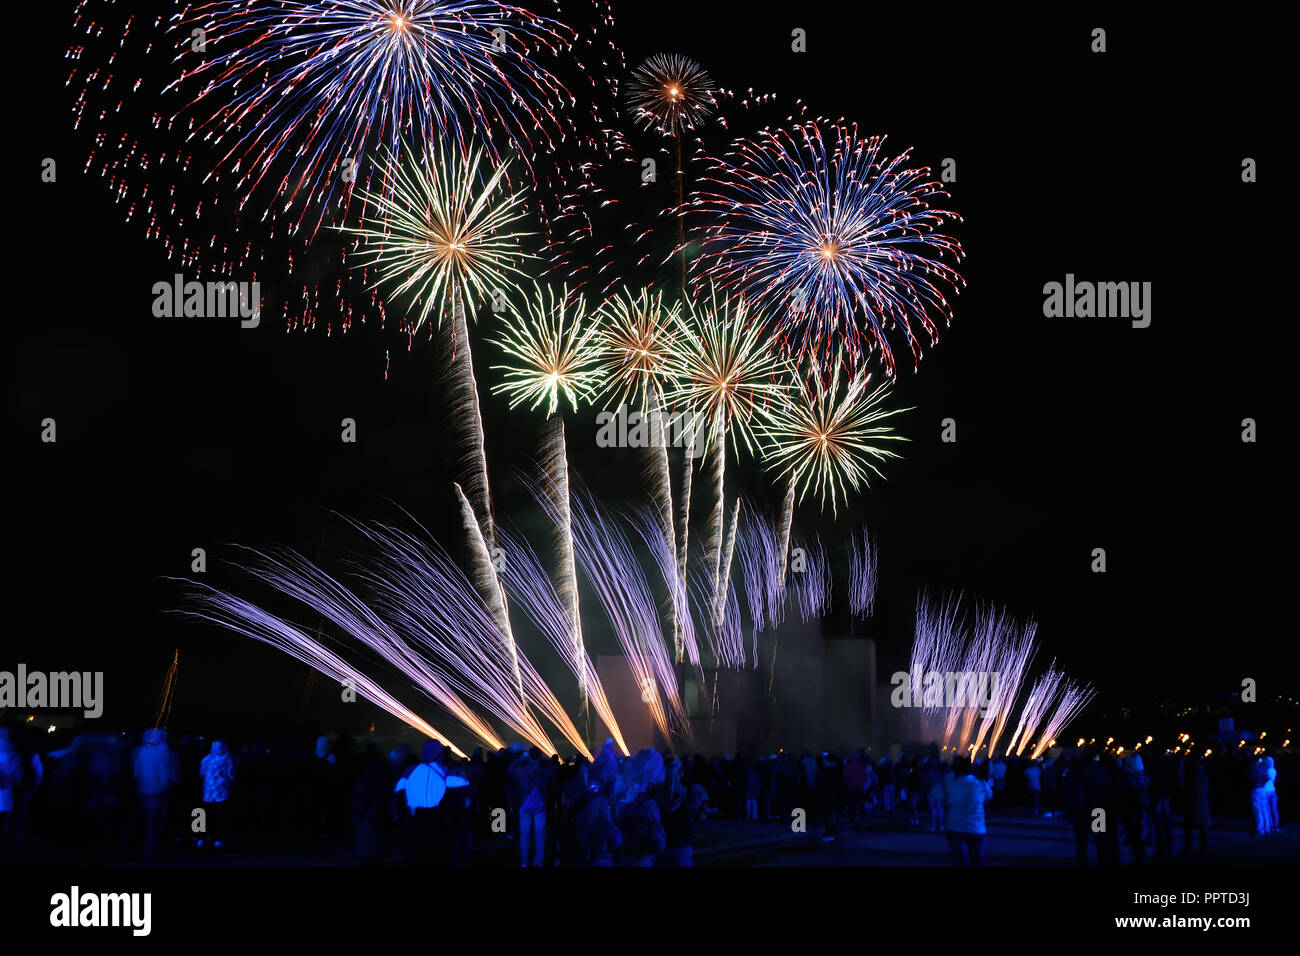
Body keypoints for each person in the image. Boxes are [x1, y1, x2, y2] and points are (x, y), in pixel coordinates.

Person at [394, 740, 466, 865]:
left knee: (416, 854)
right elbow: (464, 786)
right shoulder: (444, 771)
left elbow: (399, 794)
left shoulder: (409, 771)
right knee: (435, 855)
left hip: (414, 819)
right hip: (436, 818)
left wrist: (402, 815)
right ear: (439, 754)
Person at [132, 728, 179, 862]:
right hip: (158, 790)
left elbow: (136, 773)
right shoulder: (163, 753)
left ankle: (142, 851)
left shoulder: (141, 751)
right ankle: (151, 852)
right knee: (155, 823)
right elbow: (164, 774)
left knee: (145, 821)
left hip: (143, 789)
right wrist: (167, 786)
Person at [942, 756, 993, 866]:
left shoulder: (950, 784)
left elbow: (941, 797)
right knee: (977, 862)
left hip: (955, 826)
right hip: (976, 827)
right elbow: (987, 799)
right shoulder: (981, 784)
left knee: (961, 862)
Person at [510, 747, 554, 867]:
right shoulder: (544, 770)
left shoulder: (521, 769)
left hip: (525, 805)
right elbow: (554, 770)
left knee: (525, 836)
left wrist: (521, 758)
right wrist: (546, 760)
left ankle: (524, 862)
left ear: (529, 756)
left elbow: (510, 768)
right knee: (540, 835)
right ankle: (538, 861)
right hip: (540, 805)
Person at [198, 740, 234, 849]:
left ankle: (205, 837)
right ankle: (217, 838)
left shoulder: (207, 758)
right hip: (221, 792)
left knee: (209, 815)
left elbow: (201, 773)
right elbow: (231, 776)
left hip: (209, 792)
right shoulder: (227, 759)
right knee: (220, 816)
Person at [1249, 757, 1270, 836]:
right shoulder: (1265, 768)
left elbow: (1250, 777)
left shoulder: (1255, 767)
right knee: (1264, 809)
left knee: (1258, 810)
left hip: (1257, 789)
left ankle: (1260, 829)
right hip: (1263, 789)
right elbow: (1267, 778)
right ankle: (1267, 828)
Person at [1263, 756, 1279, 833]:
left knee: (1268, 810)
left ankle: (1270, 826)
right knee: (1274, 809)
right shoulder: (1273, 770)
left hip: (1266, 791)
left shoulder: (1266, 770)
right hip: (1273, 790)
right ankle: (1275, 826)